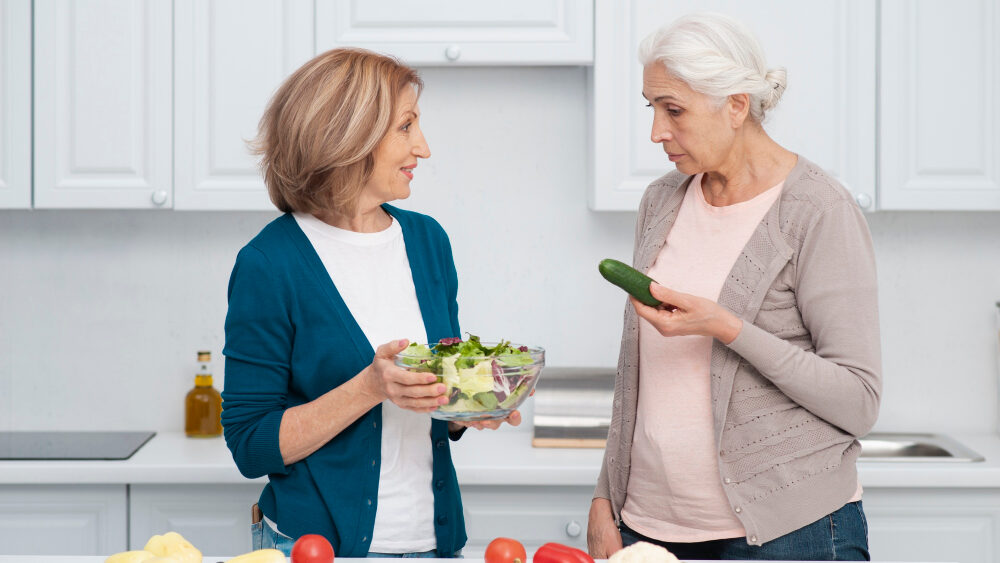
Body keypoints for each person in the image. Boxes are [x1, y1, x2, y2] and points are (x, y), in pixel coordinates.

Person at [587, 13, 881, 562]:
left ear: (736, 105)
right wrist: (607, 495)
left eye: (673, 109)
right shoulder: (662, 201)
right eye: (650, 107)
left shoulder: (817, 211)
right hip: (651, 528)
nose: (656, 131)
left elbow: (859, 400)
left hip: (790, 533)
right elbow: (637, 368)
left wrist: (725, 326)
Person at [222, 47, 519, 559]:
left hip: (434, 541)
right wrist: (369, 386)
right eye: (406, 127)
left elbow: (431, 390)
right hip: (318, 548)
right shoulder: (270, 264)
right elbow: (251, 444)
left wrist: (463, 407)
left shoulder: (428, 241)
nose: (422, 148)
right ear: (348, 134)